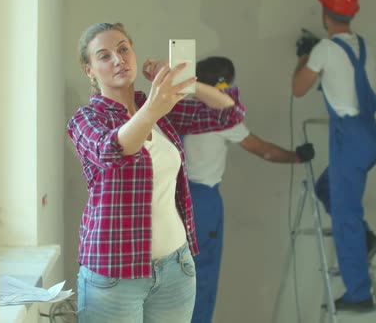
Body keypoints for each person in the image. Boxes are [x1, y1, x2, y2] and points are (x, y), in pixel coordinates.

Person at [66, 23, 246, 323]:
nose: (118, 59)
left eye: (123, 49)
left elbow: (230, 112)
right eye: (104, 56)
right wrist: (154, 106)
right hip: (114, 276)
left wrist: (183, 82)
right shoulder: (86, 119)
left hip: (176, 268)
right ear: (89, 70)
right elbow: (113, 150)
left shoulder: (162, 110)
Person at [183, 56, 314, 323]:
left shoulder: (182, 111)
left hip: (176, 198)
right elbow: (263, 151)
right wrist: (296, 157)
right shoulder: (222, 118)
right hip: (203, 202)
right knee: (202, 275)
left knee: (179, 276)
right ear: (224, 85)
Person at [291, 0, 376, 313]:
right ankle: (365, 239)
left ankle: (359, 293)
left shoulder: (325, 50)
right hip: (371, 135)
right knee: (326, 188)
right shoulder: (365, 46)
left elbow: (298, 89)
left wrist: (305, 58)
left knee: (346, 217)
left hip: (349, 137)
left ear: (324, 14)